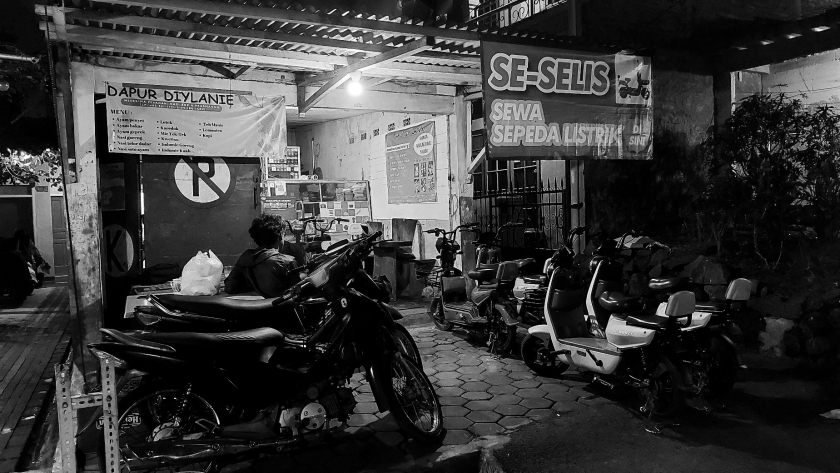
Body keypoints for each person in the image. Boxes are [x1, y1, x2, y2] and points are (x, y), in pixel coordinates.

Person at [224, 214, 297, 297]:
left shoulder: (245, 257)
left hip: (254, 308)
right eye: (284, 234)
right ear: (280, 235)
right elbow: (300, 293)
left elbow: (230, 287)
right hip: (281, 309)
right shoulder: (287, 262)